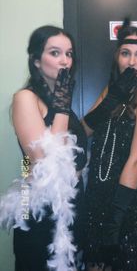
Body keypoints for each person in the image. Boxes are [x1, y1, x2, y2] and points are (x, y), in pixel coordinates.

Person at [81, 18, 137, 271]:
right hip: (98, 198)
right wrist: (112, 99)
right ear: (116, 57)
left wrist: (115, 221)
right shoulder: (112, 89)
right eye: (126, 54)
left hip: (128, 205)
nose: (132, 62)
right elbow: (82, 132)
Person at [0, 25, 87, 271]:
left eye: (69, 54)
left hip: (69, 204)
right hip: (38, 207)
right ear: (36, 60)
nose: (64, 61)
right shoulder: (25, 98)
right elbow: (45, 160)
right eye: (55, 53)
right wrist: (62, 103)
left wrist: (111, 101)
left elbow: (77, 138)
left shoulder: (60, 103)